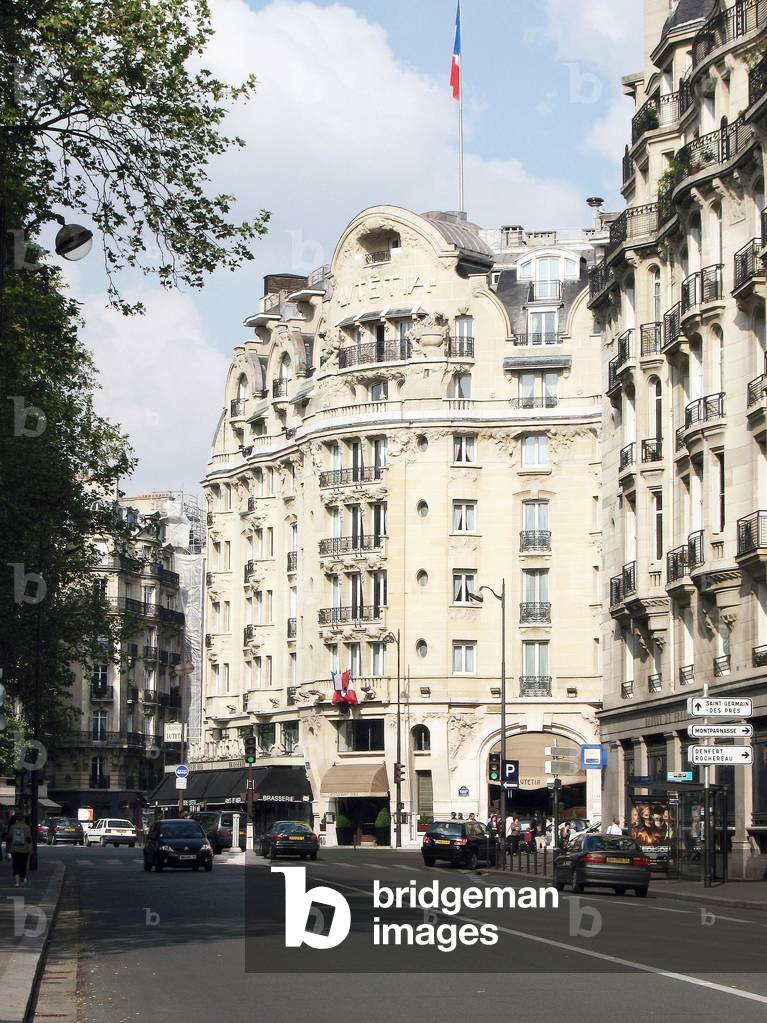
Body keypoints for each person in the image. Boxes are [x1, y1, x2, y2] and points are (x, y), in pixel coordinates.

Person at [7, 812, 32, 887]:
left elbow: (9, 838)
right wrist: (31, 849)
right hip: (24, 849)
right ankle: (22, 879)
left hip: (14, 849)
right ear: (23, 819)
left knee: (15, 865)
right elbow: (29, 839)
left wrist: (7, 849)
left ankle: (17, 882)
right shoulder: (27, 827)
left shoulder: (12, 827)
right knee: (23, 865)